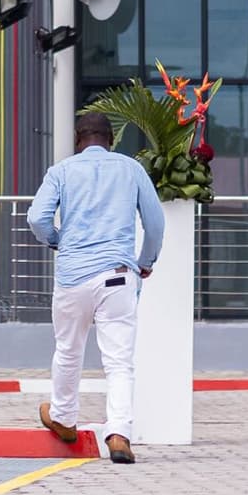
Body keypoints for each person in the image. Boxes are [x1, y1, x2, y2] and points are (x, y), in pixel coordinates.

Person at [25, 109, 164, 463]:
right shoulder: (131, 169)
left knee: (69, 350)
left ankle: (63, 418)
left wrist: (57, 240)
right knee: (119, 363)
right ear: (111, 140)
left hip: (73, 275)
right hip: (117, 275)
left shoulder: (61, 171)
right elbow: (155, 222)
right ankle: (119, 434)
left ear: (77, 139)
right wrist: (145, 262)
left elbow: (36, 217)